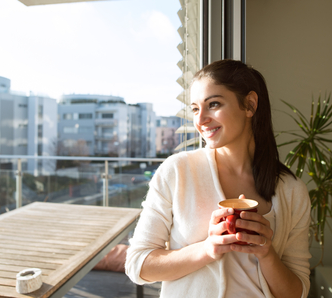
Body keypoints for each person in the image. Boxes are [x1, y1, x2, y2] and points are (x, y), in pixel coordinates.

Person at [125, 59, 311, 298]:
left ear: (250, 105)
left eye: (213, 104)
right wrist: (207, 249)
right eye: (194, 108)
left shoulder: (291, 191)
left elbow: (298, 293)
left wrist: (267, 253)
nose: (200, 120)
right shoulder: (178, 171)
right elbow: (138, 265)